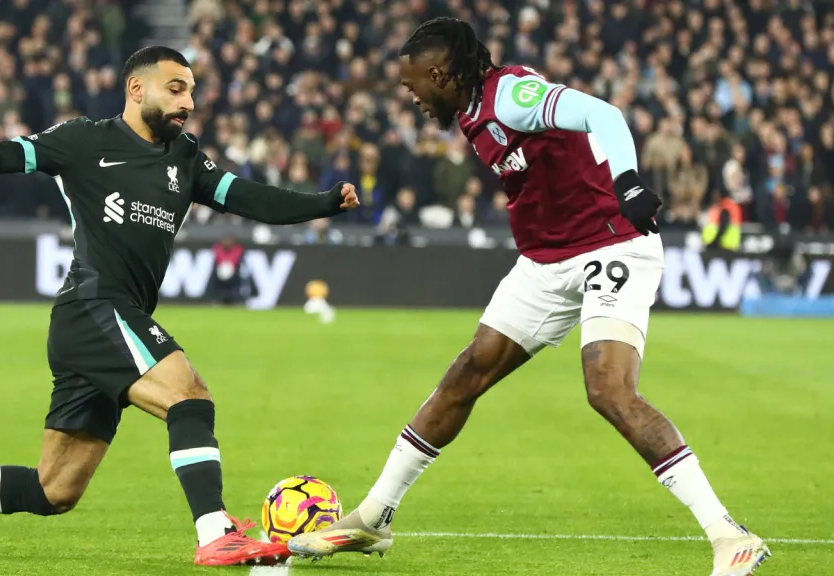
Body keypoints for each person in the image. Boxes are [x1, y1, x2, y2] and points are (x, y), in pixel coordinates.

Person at [289, 18, 769, 576]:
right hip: (543, 262)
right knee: (466, 374)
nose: (411, 96)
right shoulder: (468, 111)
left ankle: (728, 534)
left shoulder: (512, 94)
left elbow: (603, 115)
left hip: (611, 246)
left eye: (412, 83)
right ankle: (373, 517)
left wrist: (629, 182)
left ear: (441, 74)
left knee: (609, 390)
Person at [0, 46, 360, 567]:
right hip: (94, 306)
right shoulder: (85, 140)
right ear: (136, 89)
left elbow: (252, 199)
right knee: (189, 397)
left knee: (52, 491)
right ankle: (216, 531)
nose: (188, 101)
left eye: (191, 90)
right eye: (176, 88)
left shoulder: (186, 157)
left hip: (105, 323)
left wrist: (324, 203)